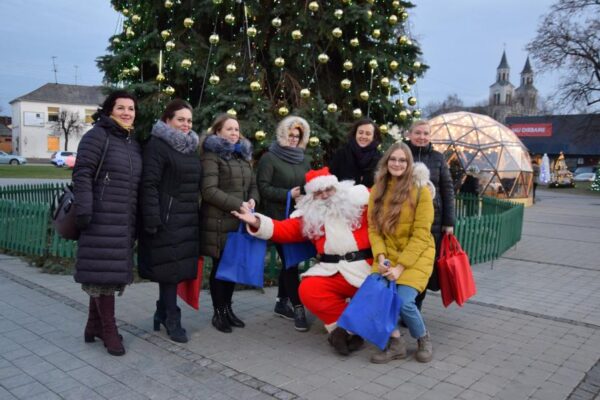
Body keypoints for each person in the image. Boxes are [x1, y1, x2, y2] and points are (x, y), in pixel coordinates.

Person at [234, 167, 374, 356]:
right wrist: (257, 221)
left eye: (328, 190)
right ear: (312, 196)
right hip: (331, 269)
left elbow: (392, 196)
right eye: (318, 192)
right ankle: (348, 329)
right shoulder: (310, 217)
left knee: (376, 297)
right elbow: (283, 229)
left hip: (365, 267)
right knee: (309, 289)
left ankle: (349, 329)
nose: (324, 195)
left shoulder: (361, 201)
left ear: (337, 188)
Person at [73, 90, 143, 356]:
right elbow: (82, 174)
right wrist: (85, 211)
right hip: (100, 218)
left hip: (123, 220)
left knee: (105, 274)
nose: (127, 112)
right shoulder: (97, 136)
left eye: (131, 108)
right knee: (104, 275)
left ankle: (93, 325)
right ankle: (109, 330)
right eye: (121, 108)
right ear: (109, 110)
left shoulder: (131, 142)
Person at [138, 99, 201, 343]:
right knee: (169, 271)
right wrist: (153, 218)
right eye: (180, 119)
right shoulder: (158, 145)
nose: (186, 125)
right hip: (166, 219)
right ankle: (171, 317)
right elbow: (150, 184)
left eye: (189, 120)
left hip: (186, 218)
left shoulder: (189, 147)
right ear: (167, 120)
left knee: (175, 270)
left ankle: (162, 311)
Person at [368, 142, 435, 363]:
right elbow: (374, 229)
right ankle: (395, 343)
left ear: (409, 164)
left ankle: (423, 338)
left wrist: (400, 268)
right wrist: (381, 257)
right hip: (388, 255)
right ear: (387, 162)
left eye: (402, 160)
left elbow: (421, 235)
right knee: (378, 296)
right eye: (393, 159)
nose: (397, 163)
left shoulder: (421, 191)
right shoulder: (377, 190)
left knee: (404, 301)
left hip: (417, 254)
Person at [199, 114, 259, 333]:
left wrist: (253, 200)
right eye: (229, 129)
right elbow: (209, 191)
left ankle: (228, 309)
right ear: (217, 132)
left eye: (236, 129)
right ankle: (218, 313)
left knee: (231, 267)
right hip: (218, 221)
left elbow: (253, 183)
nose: (234, 133)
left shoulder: (242, 155)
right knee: (220, 268)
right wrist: (239, 204)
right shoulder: (211, 156)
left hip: (238, 222)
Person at [256, 116, 311, 331]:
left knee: (292, 260)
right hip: (278, 218)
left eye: (297, 136)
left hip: (298, 216)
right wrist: (288, 193)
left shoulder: (303, 159)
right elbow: (263, 187)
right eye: (290, 135)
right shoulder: (269, 158)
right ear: (282, 135)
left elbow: (307, 184)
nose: (293, 140)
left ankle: (281, 302)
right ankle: (297, 307)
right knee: (289, 261)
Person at [405, 120, 455, 309]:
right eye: (418, 133)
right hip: (405, 218)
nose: (422, 137)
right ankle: (403, 304)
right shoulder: (401, 154)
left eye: (426, 133)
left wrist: (449, 221)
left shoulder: (438, 158)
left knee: (425, 264)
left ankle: (416, 305)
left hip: (432, 221)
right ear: (409, 134)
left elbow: (448, 189)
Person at [329, 119, 382, 188]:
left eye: (368, 134)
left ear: (374, 137)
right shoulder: (342, 153)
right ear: (355, 134)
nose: (363, 136)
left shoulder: (380, 159)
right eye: (360, 132)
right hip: (343, 197)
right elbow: (332, 179)